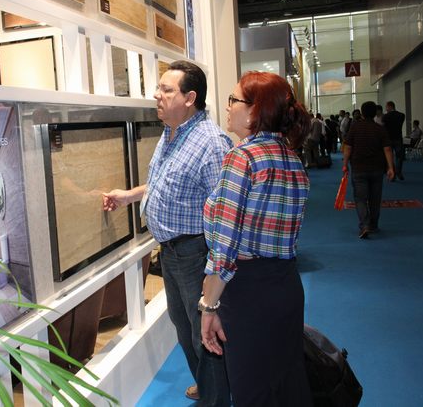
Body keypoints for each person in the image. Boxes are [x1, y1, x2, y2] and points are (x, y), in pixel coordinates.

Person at [102, 61, 232, 405]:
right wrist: (129, 196)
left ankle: (217, 398)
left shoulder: (211, 143)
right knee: (184, 327)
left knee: (203, 332)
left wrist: (214, 270)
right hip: (171, 253)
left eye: (166, 90)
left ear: (190, 98)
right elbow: (165, 185)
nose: (156, 95)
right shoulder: (171, 133)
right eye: (158, 88)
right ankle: (207, 385)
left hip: (196, 253)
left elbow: (224, 214)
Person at [200, 71, 312, 406]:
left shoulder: (242, 158)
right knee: (287, 386)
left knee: (253, 392)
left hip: (248, 292)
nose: (227, 106)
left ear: (255, 110)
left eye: (233, 99)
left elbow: (225, 248)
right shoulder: (292, 158)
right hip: (286, 284)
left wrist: (209, 306)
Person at [342, 101, 395, 238]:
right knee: (375, 199)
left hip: (359, 168)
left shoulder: (355, 127)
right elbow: (387, 149)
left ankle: (364, 225)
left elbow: (348, 147)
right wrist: (390, 167)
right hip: (377, 168)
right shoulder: (380, 129)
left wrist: (345, 163)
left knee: (360, 198)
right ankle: (374, 225)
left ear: (362, 113)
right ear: (375, 113)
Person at [382, 101, 406, 180]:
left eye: (386, 107)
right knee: (399, 156)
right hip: (398, 138)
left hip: (388, 139)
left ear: (389, 106)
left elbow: (384, 127)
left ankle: (393, 173)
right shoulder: (401, 115)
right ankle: (399, 171)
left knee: (390, 157)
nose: (386, 109)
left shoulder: (385, 116)